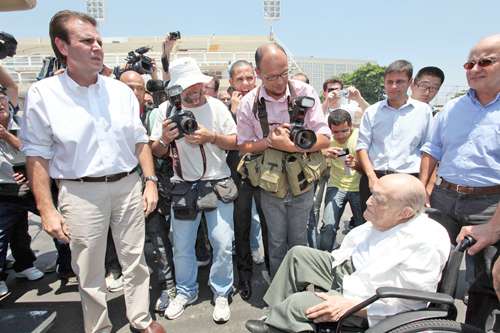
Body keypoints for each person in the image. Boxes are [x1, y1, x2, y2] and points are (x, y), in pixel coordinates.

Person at [20, 10, 164, 333]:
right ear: (63, 46)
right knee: (89, 271)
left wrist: (150, 181)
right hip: (80, 193)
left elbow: (140, 141)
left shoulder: (120, 92)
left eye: (98, 40)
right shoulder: (43, 95)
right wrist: (46, 209)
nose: (97, 47)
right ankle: (98, 328)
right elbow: (37, 158)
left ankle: (140, 320)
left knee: (135, 261)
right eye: (87, 41)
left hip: (128, 186)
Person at [245, 174, 451, 333]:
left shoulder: (426, 241)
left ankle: (287, 319)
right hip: (353, 268)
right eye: (371, 194)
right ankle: (275, 319)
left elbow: (410, 303)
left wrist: (353, 305)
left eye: (378, 199)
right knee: (297, 255)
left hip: (369, 297)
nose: (368, 201)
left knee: (298, 304)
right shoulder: (394, 217)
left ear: (405, 213)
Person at [420, 34, 500, 331]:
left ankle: (474, 328)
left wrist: (494, 226)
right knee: (433, 265)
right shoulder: (452, 108)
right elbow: (432, 149)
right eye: (469, 63)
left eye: (486, 61)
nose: (474, 68)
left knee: (485, 279)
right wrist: (423, 187)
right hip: (443, 198)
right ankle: (431, 324)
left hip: (490, 205)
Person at [150, 57, 237, 323]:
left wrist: (211, 137)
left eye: (199, 85)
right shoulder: (165, 111)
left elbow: (235, 142)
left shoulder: (218, 107)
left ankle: (221, 292)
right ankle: (186, 291)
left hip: (218, 182)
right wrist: (165, 138)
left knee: (222, 242)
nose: (196, 91)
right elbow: (156, 150)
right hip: (184, 186)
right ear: (177, 89)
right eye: (190, 88)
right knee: (182, 245)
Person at [237, 43, 331, 277]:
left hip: (303, 183)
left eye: (284, 73)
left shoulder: (305, 93)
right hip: (271, 185)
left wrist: (292, 146)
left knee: (299, 241)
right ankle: (280, 293)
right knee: (276, 243)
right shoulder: (249, 103)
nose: (279, 82)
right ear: (258, 74)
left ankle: (299, 289)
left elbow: (326, 138)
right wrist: (269, 142)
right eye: (271, 77)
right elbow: (243, 147)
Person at [120, 70, 177, 312]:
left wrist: (151, 183)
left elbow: (157, 150)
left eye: (138, 88)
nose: (133, 92)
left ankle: (168, 287)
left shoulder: (154, 115)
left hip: (152, 188)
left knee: (158, 241)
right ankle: (136, 295)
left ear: (145, 93)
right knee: (130, 246)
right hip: (119, 190)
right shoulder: (108, 116)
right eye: (128, 87)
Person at [356, 60, 433, 213]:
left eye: (400, 82)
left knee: (406, 228)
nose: (394, 87)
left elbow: (429, 150)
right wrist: (372, 177)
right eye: (389, 82)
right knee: (371, 226)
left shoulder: (423, 111)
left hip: (409, 180)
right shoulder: (372, 112)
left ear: (410, 82)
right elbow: (361, 147)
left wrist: (422, 186)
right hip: (376, 178)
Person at [228, 59, 268, 301]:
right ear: (231, 82)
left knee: (269, 226)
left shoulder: (265, 102)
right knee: (241, 228)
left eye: (249, 78)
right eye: (239, 79)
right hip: (239, 177)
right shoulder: (223, 107)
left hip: (265, 175)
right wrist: (233, 112)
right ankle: (244, 277)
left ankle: (274, 275)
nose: (245, 84)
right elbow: (231, 141)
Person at [0, 86, 44, 297]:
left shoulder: (22, 122)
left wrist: (6, 135)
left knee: (57, 223)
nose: (1, 106)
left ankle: (64, 266)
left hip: (31, 184)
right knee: (6, 233)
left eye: (2, 101)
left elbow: (30, 150)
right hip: (3, 189)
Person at [319, 109, 364, 252]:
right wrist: (324, 153)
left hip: (359, 188)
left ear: (351, 126)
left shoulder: (361, 137)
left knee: (362, 227)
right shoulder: (327, 140)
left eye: (344, 131)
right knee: (328, 226)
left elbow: (371, 167)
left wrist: (356, 164)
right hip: (336, 186)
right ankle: (324, 258)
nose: (339, 136)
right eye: (335, 132)